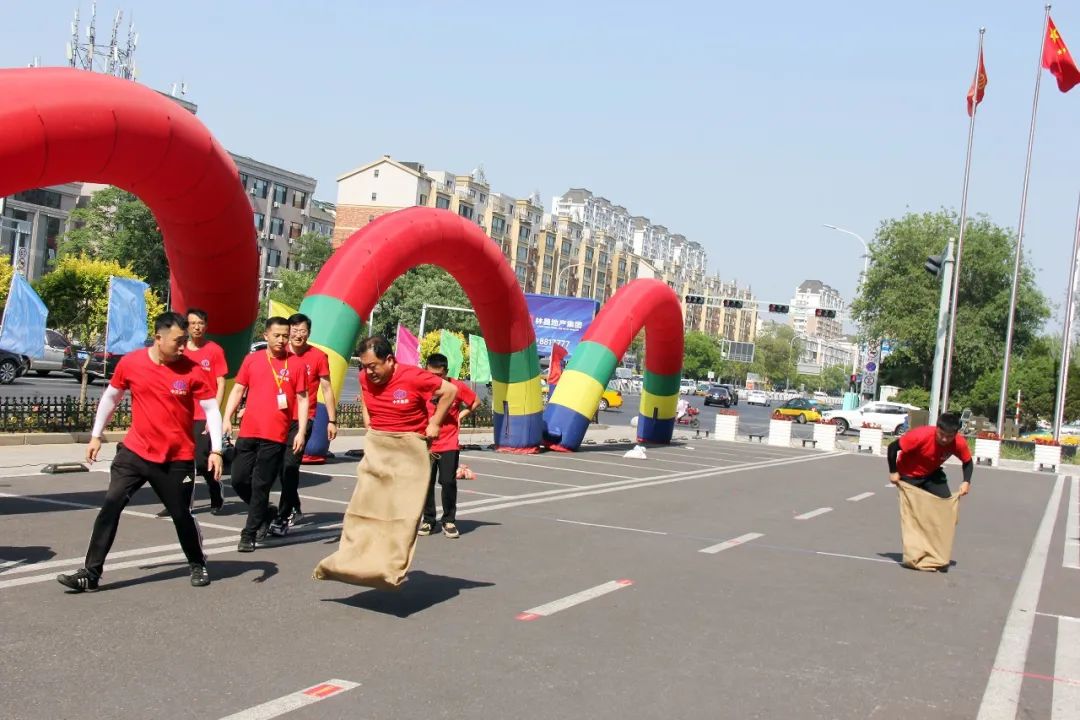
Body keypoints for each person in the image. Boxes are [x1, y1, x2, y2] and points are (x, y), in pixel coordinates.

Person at [57, 312, 223, 592]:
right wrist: (96, 436)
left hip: (176, 458)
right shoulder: (131, 363)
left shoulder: (192, 370)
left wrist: (216, 450)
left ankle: (197, 562)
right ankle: (91, 573)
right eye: (178, 341)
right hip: (134, 453)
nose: (183, 347)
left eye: (185, 340)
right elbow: (111, 397)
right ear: (158, 338)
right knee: (111, 505)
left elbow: (211, 410)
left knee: (181, 514)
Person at [223, 317, 308, 553]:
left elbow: (302, 399)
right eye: (277, 335)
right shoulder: (252, 360)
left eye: (285, 336)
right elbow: (238, 389)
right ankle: (266, 511)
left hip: (275, 435)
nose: (281, 340)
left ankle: (249, 533)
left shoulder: (296, 364)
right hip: (249, 431)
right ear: (266, 335)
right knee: (239, 480)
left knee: (261, 485)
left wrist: (301, 431)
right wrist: (226, 417)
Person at [269, 313, 337, 536]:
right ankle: (294, 504)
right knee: (279, 468)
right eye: (295, 330)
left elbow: (327, 388)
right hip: (277, 418)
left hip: (303, 419)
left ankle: (283, 516)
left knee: (290, 465)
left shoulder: (318, 356)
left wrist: (332, 420)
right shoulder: (280, 354)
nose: (298, 335)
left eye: (303, 331)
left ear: (309, 333)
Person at [155, 308, 228, 517]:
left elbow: (221, 383)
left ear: (206, 326)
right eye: (193, 323)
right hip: (181, 415)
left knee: (202, 461)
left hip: (203, 414)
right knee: (178, 461)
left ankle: (215, 491)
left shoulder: (214, 350)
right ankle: (179, 503)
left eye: (201, 323)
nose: (197, 327)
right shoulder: (179, 350)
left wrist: (214, 415)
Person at [418, 353, 479, 539]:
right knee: (426, 483)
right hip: (426, 443)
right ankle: (428, 520)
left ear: (446, 372)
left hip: (449, 442)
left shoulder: (456, 386)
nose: (435, 379)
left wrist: (460, 416)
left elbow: (475, 402)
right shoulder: (421, 385)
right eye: (431, 375)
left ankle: (449, 520)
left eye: (439, 375)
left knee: (448, 482)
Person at [887, 412, 973, 498]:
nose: (944, 439)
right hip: (908, 473)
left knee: (945, 500)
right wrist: (893, 471)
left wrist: (966, 481)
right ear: (937, 428)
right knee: (913, 503)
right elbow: (892, 447)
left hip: (931, 473)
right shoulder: (920, 435)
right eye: (941, 434)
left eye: (949, 436)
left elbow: (968, 461)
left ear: (955, 434)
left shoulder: (959, 443)